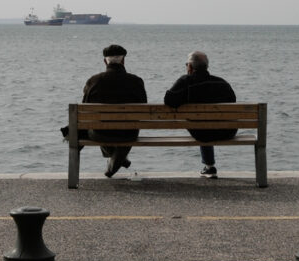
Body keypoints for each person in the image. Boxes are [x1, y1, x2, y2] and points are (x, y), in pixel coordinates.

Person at [163, 50, 237, 178]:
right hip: (227, 131)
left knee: (201, 124)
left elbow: (169, 101)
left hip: (201, 133)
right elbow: (232, 101)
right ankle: (209, 167)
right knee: (206, 123)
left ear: (190, 67)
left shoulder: (186, 81)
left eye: (186, 64)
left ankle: (209, 166)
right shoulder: (221, 83)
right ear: (206, 66)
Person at [82, 44, 147, 177]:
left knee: (98, 124)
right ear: (123, 61)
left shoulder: (94, 81)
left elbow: (85, 108)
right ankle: (118, 159)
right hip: (129, 133)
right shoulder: (136, 81)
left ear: (105, 61)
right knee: (125, 130)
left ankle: (115, 159)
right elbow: (143, 107)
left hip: (101, 133)